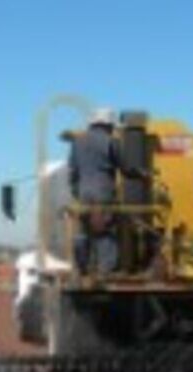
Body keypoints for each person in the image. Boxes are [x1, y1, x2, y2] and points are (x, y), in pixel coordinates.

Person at [68, 107, 120, 275]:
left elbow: (72, 172)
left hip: (84, 194)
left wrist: (77, 192)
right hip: (103, 193)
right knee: (105, 232)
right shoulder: (110, 141)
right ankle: (105, 272)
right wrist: (140, 173)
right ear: (108, 125)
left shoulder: (77, 142)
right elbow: (124, 166)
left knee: (83, 231)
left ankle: (82, 268)